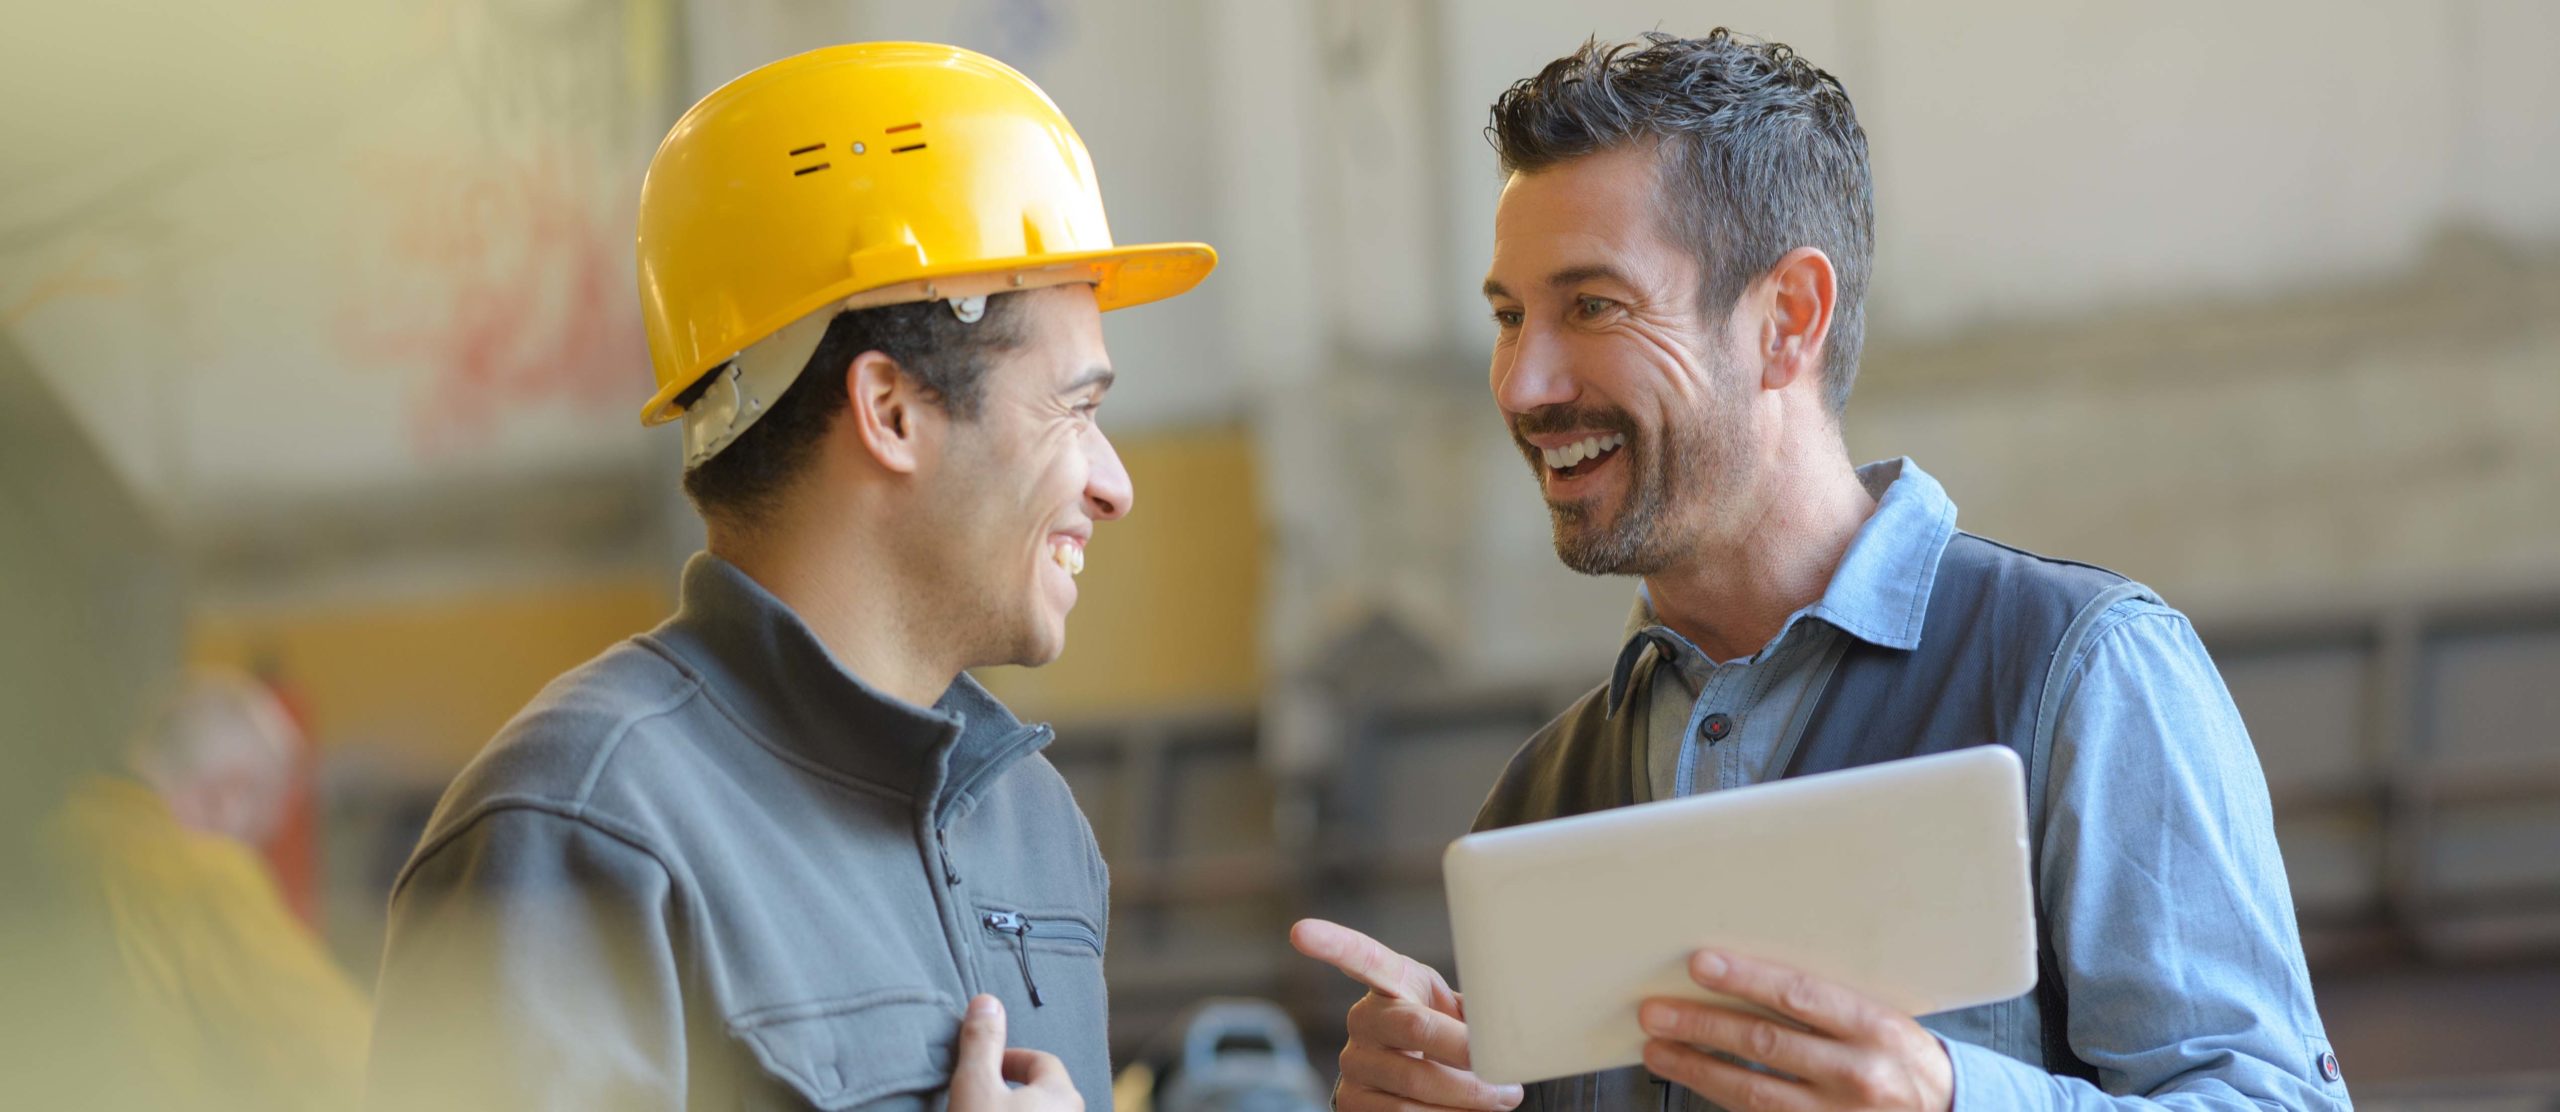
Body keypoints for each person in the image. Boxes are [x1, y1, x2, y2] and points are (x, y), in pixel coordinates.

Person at [1291, 30, 2350, 1111]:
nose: (1523, 383)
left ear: (1787, 319)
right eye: (1509, 317)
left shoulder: (2083, 674)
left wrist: (1947, 1097)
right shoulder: (1535, 801)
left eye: (1592, 305)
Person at [364, 43, 1215, 1111]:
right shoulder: (579, 829)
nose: (1112, 484)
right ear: (890, 411)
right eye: (1074, 410)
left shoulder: (1028, 825)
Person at [52, 669, 371, 1112]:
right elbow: (347, 1057)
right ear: (227, 794)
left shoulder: (60, 838)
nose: (250, 855)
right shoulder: (203, 874)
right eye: (255, 838)